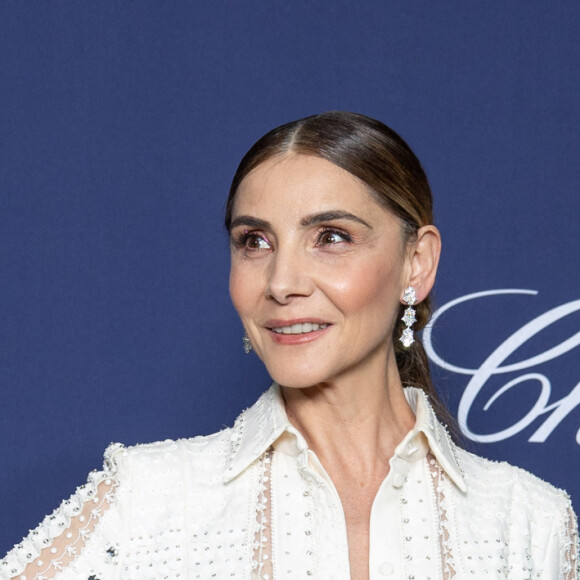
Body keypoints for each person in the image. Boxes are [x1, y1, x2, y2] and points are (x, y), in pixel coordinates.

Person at [1, 112, 578, 580]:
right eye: (254, 241)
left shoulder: (529, 523)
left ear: (416, 262)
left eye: (331, 237)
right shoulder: (150, 501)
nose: (281, 283)